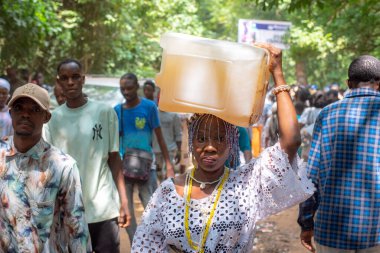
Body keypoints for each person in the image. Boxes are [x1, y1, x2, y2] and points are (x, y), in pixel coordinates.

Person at [131, 43, 315, 252]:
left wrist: (278, 74)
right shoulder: (167, 193)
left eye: (220, 138)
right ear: (192, 142)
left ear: (232, 144)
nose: (209, 146)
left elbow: (291, 142)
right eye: (201, 138)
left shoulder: (247, 184)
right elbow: (144, 247)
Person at [44, 59, 130, 252]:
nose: (70, 82)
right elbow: (50, 169)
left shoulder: (104, 112)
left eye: (75, 77)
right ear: (58, 82)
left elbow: (115, 159)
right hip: (68, 210)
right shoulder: (52, 120)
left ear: (83, 79)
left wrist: (123, 201)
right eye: (65, 78)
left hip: (103, 208)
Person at [298, 55, 380, 253]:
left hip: (332, 228)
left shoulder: (327, 114)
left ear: (349, 83)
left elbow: (312, 175)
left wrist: (306, 223)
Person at [0, 83, 90, 252]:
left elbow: (76, 227)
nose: (25, 114)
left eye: (34, 109)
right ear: (11, 112)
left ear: (46, 117)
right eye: (19, 108)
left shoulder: (63, 166)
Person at [114, 73, 175, 244]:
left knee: (152, 207)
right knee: (127, 211)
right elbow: (114, 142)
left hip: (148, 166)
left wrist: (169, 164)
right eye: (123, 88)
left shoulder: (149, 107)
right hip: (124, 166)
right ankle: (136, 243)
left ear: (137, 87)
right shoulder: (117, 111)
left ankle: (153, 242)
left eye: (129, 88)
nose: (126, 91)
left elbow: (160, 136)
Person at [152, 108, 182, 181]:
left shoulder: (174, 115)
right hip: (156, 151)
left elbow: (178, 134)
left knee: (168, 175)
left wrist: (179, 151)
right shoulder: (153, 113)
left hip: (170, 150)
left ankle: (167, 191)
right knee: (158, 175)